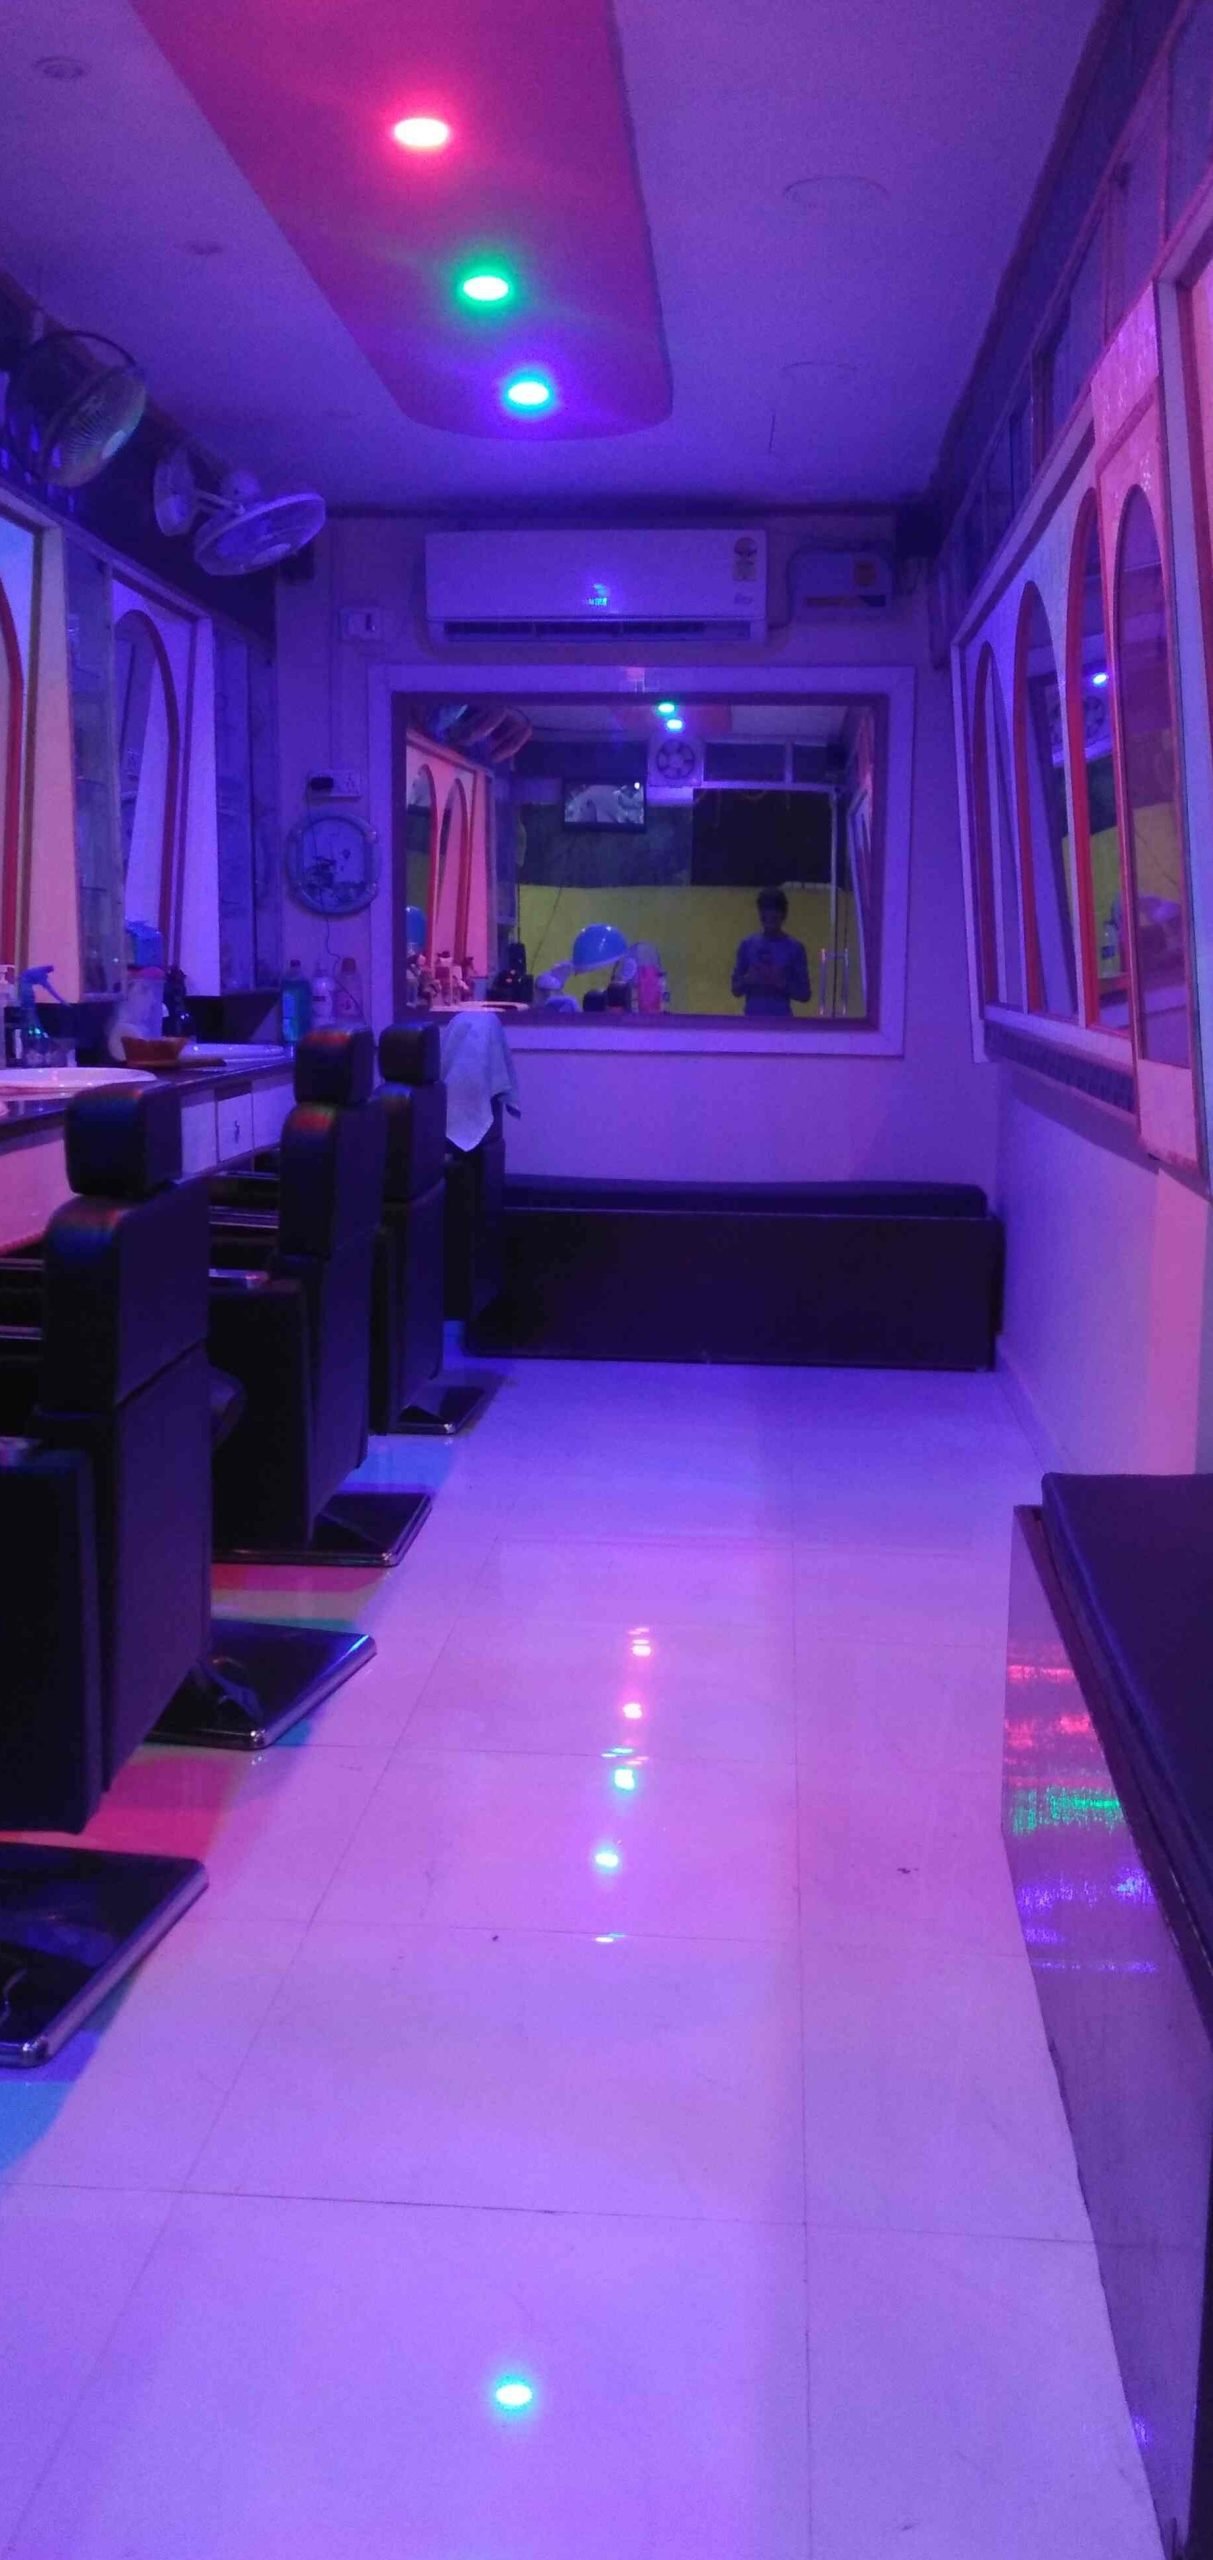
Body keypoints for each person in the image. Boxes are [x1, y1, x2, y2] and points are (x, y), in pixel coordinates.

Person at [731, 888, 811, 1017]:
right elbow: (735, 989)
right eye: (765, 914)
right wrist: (749, 979)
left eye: (774, 915)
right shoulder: (747, 945)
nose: (769, 918)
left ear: (783, 916)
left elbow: (805, 994)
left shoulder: (795, 948)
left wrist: (781, 982)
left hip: (782, 1022)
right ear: (760, 914)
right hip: (751, 1022)